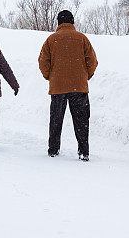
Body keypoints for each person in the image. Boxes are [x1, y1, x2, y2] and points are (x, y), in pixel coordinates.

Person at [38, 10, 98, 161]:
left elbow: (43, 62)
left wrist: (50, 77)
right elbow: (92, 61)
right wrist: (84, 77)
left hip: (58, 87)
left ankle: (53, 149)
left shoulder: (51, 40)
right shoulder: (82, 38)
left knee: (56, 119)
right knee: (82, 121)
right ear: (72, 22)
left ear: (58, 22)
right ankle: (84, 152)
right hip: (79, 87)